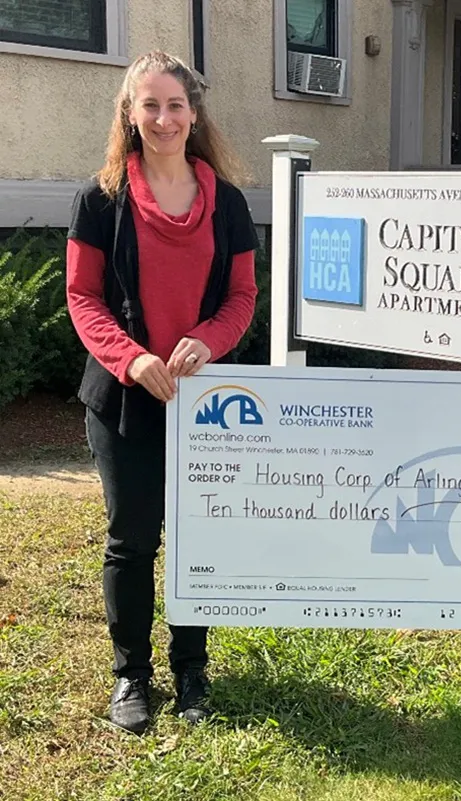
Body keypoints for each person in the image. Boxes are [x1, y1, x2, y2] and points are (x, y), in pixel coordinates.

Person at [66, 51, 259, 735]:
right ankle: (131, 675)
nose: (164, 117)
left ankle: (191, 668)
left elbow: (242, 296)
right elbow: (83, 298)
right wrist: (131, 357)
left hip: (204, 401)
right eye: (149, 104)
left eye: (175, 105)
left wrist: (208, 339)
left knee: (196, 538)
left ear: (194, 113)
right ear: (130, 113)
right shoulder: (101, 198)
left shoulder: (227, 203)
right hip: (125, 400)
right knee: (132, 539)